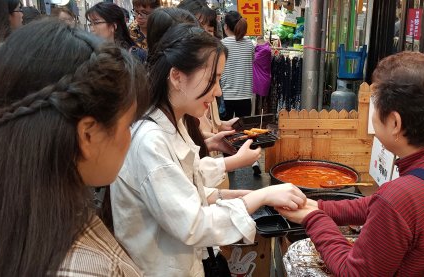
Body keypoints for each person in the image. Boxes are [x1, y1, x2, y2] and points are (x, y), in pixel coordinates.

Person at [111, 24, 306, 276]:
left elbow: (186, 184)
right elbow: (193, 223)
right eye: (213, 79)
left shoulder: (171, 121)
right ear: (177, 76)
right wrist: (261, 196)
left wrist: (245, 195)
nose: (218, 91)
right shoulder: (150, 140)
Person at [279, 52, 424, 276]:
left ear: (395, 122)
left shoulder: (401, 197)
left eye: (374, 106)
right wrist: (320, 207)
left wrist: (314, 219)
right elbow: (378, 205)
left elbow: (354, 273)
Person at [0, 18, 147, 276]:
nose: (130, 137)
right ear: (87, 134)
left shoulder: (10, 218)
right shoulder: (95, 269)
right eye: (128, 124)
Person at [220, 11, 254, 121]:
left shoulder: (221, 44)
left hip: (226, 95)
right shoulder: (249, 44)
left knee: (224, 132)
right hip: (245, 95)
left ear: (226, 26)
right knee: (244, 131)